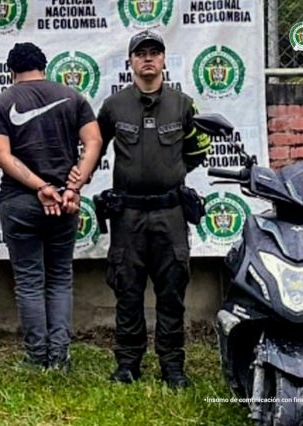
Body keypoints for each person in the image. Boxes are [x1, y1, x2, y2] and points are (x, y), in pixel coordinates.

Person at [96, 30, 211, 388]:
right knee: (128, 289)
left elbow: (197, 150)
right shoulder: (115, 106)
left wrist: (167, 176)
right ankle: (128, 364)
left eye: (154, 52)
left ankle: (173, 367)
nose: (148, 58)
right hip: (128, 215)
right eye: (141, 53)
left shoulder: (183, 104)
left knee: (172, 291)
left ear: (163, 60)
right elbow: (95, 148)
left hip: (170, 213)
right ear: (130, 61)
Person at [0, 42, 103, 371]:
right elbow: (94, 141)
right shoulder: (72, 96)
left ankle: (37, 358)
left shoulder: (3, 100)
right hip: (65, 202)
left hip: (21, 201)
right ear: (44, 66)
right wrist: (73, 186)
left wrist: (41, 188)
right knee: (60, 278)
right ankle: (60, 358)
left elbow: (1, 155)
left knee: (29, 280)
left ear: (11, 71)